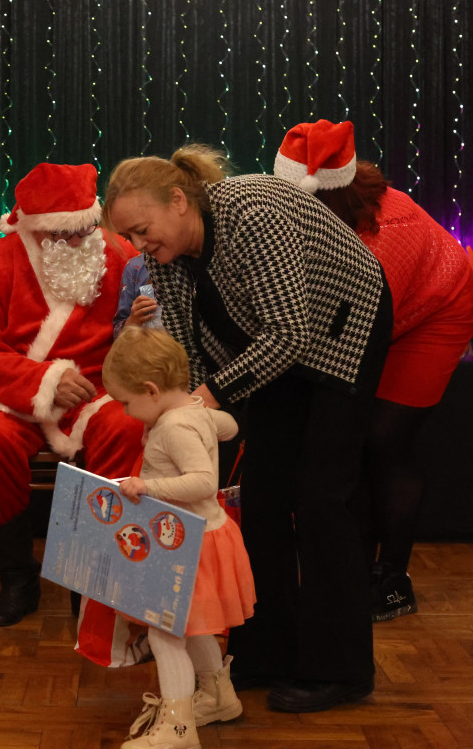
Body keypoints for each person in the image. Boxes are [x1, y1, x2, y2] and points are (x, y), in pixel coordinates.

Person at [102, 144, 393, 713]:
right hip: (274, 353)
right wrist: (177, 414)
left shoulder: (251, 212)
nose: (138, 248)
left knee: (320, 500)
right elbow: (187, 350)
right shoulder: (167, 259)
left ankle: (341, 670)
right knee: (261, 497)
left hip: (341, 332)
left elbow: (289, 331)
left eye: (141, 230)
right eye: (129, 238)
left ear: (180, 201)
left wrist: (205, 398)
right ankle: (269, 652)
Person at [273, 119, 473, 621]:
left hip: (437, 312)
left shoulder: (388, 237)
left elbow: (353, 328)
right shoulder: (313, 209)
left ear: (328, 197)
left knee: (385, 440)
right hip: (380, 317)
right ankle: (353, 568)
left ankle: (393, 580)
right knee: (352, 441)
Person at [0, 162, 146, 627]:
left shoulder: (119, 255)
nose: (79, 242)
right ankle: (18, 576)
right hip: (13, 395)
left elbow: (138, 338)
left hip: (99, 390)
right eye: (64, 235)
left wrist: (130, 339)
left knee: (128, 426)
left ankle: (97, 578)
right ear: (36, 230)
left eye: (85, 230)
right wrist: (45, 382)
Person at [102, 325, 255, 749]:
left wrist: (148, 487)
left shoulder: (172, 427)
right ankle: (220, 696)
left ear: (151, 390)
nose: (125, 412)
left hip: (190, 543)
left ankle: (178, 729)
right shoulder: (192, 412)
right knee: (191, 626)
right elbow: (228, 426)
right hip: (200, 537)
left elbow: (204, 482)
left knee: (164, 632)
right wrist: (203, 416)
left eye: (125, 402)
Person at [113, 253, 159, 336]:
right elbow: (118, 331)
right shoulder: (135, 267)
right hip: (147, 344)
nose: (140, 245)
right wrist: (132, 322)